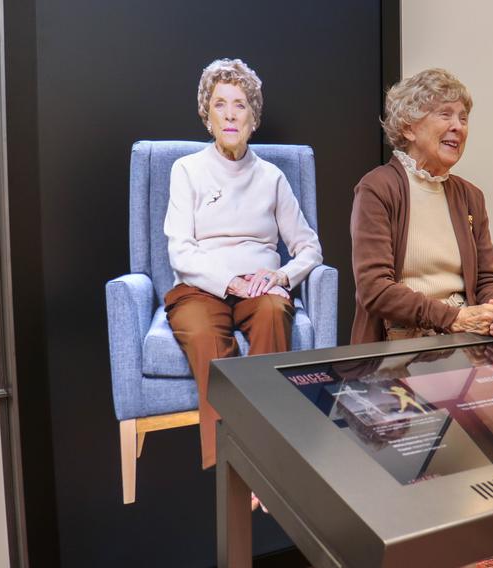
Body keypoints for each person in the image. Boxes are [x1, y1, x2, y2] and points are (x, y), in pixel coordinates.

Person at [163, 58, 322, 471]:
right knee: (204, 336)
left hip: (260, 287)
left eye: (240, 105)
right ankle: (233, 464)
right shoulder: (187, 170)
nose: (230, 114)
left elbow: (309, 248)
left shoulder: (272, 178)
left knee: (273, 310)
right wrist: (229, 281)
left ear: (254, 117)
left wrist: (281, 275)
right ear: (207, 115)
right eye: (220, 104)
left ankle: (269, 459)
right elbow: (180, 251)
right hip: (201, 287)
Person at [350, 68, 493, 344]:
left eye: (463, 118)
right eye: (445, 114)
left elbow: (487, 279)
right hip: (399, 346)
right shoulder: (377, 188)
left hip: (464, 339)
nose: (459, 127)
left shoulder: (471, 196)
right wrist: (452, 318)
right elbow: (375, 290)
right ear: (409, 127)